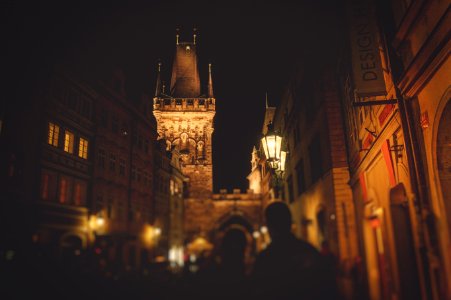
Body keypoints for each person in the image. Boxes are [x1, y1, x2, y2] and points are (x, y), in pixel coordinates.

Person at [251, 201, 338, 300]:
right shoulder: (310, 252)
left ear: (268, 225)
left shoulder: (264, 260)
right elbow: (329, 289)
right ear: (290, 222)